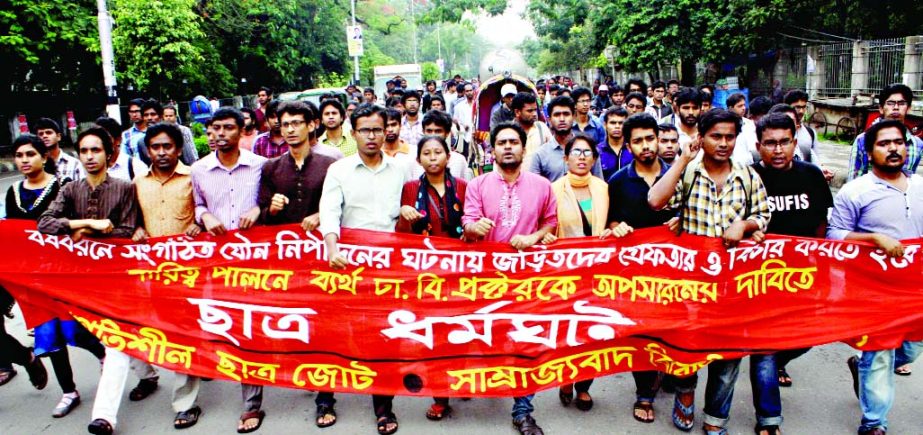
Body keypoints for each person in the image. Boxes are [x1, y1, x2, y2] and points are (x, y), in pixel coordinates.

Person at [648, 109, 770, 434]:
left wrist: (745, 224)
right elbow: (655, 200)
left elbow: (763, 213)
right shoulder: (688, 174)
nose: (724, 143)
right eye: (716, 136)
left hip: (734, 285)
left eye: (730, 136)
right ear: (701, 138)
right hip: (691, 284)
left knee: (729, 353)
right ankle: (685, 392)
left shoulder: (747, 175)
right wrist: (681, 161)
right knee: (687, 344)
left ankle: (716, 418)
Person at [87, 123, 204, 435]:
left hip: (188, 275)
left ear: (179, 149)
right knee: (131, 334)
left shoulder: (195, 178)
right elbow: (130, 222)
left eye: (168, 147)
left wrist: (199, 226)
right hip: (147, 275)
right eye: (155, 148)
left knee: (182, 338)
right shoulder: (137, 183)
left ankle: (184, 404)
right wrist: (135, 229)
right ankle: (143, 381)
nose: (162, 153)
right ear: (147, 151)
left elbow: (208, 214)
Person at [462, 122, 557, 435]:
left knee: (524, 343)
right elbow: (468, 224)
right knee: (484, 336)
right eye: (501, 142)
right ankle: (473, 381)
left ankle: (523, 410)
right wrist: (474, 229)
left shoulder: (543, 186)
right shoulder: (477, 185)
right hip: (485, 279)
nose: (507, 147)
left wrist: (533, 237)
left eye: (513, 142)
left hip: (528, 280)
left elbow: (550, 225)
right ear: (492, 150)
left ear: (523, 147)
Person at [829, 119, 923, 435]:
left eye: (899, 142)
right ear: (869, 152)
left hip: (916, 290)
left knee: (909, 349)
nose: (893, 148)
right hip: (874, 290)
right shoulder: (855, 191)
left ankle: (864, 367)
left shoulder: (922, 187)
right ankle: (874, 424)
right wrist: (873, 239)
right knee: (881, 353)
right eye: (884, 144)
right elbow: (834, 236)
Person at [38, 127, 136, 420]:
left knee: (118, 339)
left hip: (116, 276)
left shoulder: (124, 187)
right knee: (83, 331)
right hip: (80, 279)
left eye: (96, 150)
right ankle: (147, 373)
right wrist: (86, 224)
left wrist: (93, 235)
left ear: (109, 153)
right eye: (84, 151)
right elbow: (45, 223)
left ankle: (104, 415)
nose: (90, 156)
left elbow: (127, 231)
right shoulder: (70, 189)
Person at [319, 104, 404, 435]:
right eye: (365, 130)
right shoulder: (339, 170)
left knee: (382, 338)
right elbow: (329, 212)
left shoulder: (400, 169)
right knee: (336, 334)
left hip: (388, 268)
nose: (372, 136)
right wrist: (332, 246)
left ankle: (383, 408)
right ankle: (325, 398)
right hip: (347, 266)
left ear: (386, 132)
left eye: (377, 130)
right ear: (353, 133)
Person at [745, 113, 832, 435]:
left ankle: (782, 357)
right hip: (758, 279)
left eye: (784, 142)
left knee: (810, 335)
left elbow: (822, 223)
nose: (778, 149)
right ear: (759, 146)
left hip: (805, 276)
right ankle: (769, 419)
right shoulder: (747, 177)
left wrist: (820, 260)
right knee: (763, 348)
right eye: (770, 143)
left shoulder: (811, 176)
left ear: (795, 143)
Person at [190, 108, 268, 433]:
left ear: (241, 131)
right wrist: (203, 216)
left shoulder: (261, 166)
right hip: (218, 263)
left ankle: (272, 385)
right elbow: (196, 204)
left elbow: (271, 201)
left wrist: (258, 209)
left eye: (227, 128)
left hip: (257, 262)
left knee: (257, 327)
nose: (219, 134)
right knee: (235, 329)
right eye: (214, 128)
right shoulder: (199, 170)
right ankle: (250, 401)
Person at [606, 113, 677, 425]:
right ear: (628, 144)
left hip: (679, 272)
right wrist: (617, 226)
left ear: (659, 139)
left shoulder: (681, 175)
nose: (646, 146)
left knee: (674, 330)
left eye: (650, 138)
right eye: (638, 141)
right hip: (637, 275)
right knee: (642, 334)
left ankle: (672, 372)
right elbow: (609, 222)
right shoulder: (619, 182)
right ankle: (644, 394)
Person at [396, 135, 469, 422]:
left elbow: (474, 224)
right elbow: (402, 236)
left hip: (461, 272)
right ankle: (440, 395)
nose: (433, 157)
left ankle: (461, 379)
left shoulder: (463, 187)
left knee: (462, 332)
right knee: (435, 336)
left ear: (448, 157)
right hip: (425, 275)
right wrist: (404, 215)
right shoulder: (410, 189)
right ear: (418, 160)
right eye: (426, 153)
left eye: (438, 152)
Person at [549, 133, 611, 410]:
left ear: (594, 159)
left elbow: (607, 223)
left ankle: (584, 385)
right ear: (566, 158)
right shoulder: (553, 189)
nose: (582, 157)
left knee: (592, 332)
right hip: (564, 271)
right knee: (567, 330)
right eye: (576, 152)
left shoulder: (602, 188)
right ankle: (565, 376)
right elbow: (547, 224)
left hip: (596, 272)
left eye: (588, 152)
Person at [1, 135, 54, 392]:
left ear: (44, 157)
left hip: (50, 270)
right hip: (15, 267)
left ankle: (106, 358)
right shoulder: (13, 192)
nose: (24, 160)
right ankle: (25, 358)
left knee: (72, 330)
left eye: (30, 154)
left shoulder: (60, 186)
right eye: (19, 155)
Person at [846, 83, 923, 182]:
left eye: (901, 103)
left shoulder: (917, 144)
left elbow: (910, 181)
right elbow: (854, 181)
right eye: (890, 103)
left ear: (908, 108)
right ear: (881, 108)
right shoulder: (863, 140)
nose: (896, 107)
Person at [529, 96, 603, 182]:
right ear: (549, 120)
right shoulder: (540, 155)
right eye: (557, 115)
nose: (562, 119)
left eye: (566, 114)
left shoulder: (589, 150)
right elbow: (535, 188)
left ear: (573, 117)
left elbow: (598, 183)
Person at [417, 110, 473, 180]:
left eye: (438, 131)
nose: (433, 135)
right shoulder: (415, 160)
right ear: (423, 132)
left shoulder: (459, 161)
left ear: (447, 133)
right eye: (429, 131)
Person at [35, 117, 84, 183]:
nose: (44, 136)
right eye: (41, 134)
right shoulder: (35, 165)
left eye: (48, 132)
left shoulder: (74, 164)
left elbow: (82, 190)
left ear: (58, 136)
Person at [782, 90, 822, 164]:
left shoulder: (810, 133)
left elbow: (816, 162)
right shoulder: (777, 132)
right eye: (797, 107)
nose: (801, 111)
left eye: (803, 107)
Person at [94, 117, 139, 182]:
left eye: (105, 139)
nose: (100, 143)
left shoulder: (135, 166)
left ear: (118, 140)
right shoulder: (88, 167)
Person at [511, 92, 552, 158]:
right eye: (530, 111)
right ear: (517, 112)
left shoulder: (542, 128)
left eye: (535, 110)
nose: (534, 114)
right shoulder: (508, 132)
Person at [598, 106, 631, 181]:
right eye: (613, 123)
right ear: (605, 125)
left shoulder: (633, 149)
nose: (617, 126)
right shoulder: (597, 151)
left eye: (621, 123)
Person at [725, 93, 754, 165]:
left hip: (749, 165)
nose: (743, 108)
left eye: (744, 105)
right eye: (740, 106)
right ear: (731, 108)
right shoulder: (725, 125)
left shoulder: (749, 124)